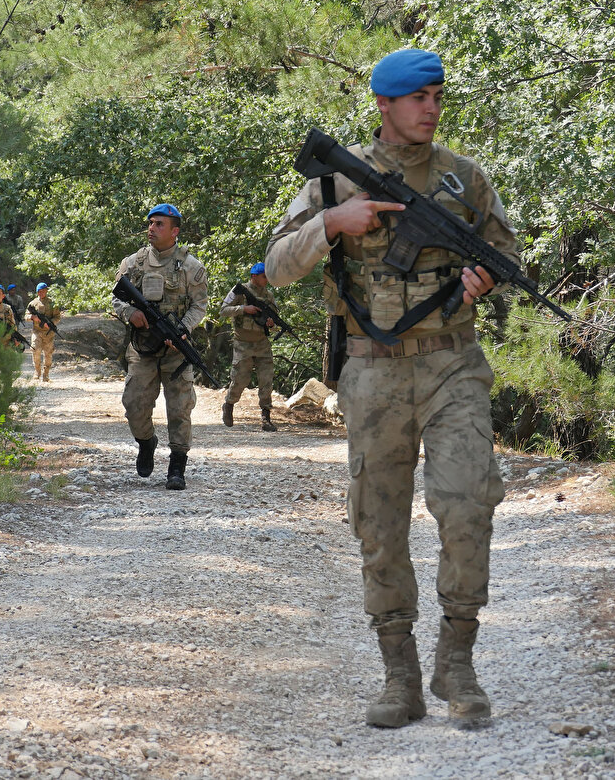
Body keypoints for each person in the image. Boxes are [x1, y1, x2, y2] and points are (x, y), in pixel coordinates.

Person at [264, 48, 519, 728]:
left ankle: (456, 659)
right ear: (383, 105)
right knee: (379, 523)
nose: (430, 108)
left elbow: (506, 253)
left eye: (437, 95)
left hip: (452, 363)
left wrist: (485, 278)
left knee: (467, 501)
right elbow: (276, 265)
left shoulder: (467, 180)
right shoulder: (333, 184)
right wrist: (330, 226)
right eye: (416, 97)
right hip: (372, 370)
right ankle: (399, 673)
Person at [111, 203, 208, 491]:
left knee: (180, 408)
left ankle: (177, 467)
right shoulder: (133, 263)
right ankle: (146, 442)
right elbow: (116, 299)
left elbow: (199, 306)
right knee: (133, 404)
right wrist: (131, 314)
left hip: (175, 351)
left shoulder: (191, 267)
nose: (152, 228)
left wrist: (181, 329)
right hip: (141, 348)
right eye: (151, 223)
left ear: (174, 231)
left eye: (159, 224)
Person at [220, 263, 278, 431]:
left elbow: (274, 322)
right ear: (254, 276)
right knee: (240, 379)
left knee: (266, 379)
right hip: (242, 343)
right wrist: (244, 308)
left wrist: (271, 323)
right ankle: (229, 404)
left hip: (262, 343)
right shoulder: (239, 291)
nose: (267, 280)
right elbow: (224, 310)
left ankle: (266, 417)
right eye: (264, 276)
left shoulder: (269, 296)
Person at [28, 282, 62, 382]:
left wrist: (51, 323)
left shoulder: (52, 303)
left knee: (48, 354)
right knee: (35, 350)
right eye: (40, 291)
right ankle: (37, 371)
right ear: (37, 292)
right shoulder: (33, 303)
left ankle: (46, 375)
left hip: (49, 334)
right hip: (37, 332)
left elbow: (58, 317)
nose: (42, 293)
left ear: (46, 291)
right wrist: (32, 317)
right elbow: (26, 316)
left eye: (44, 291)